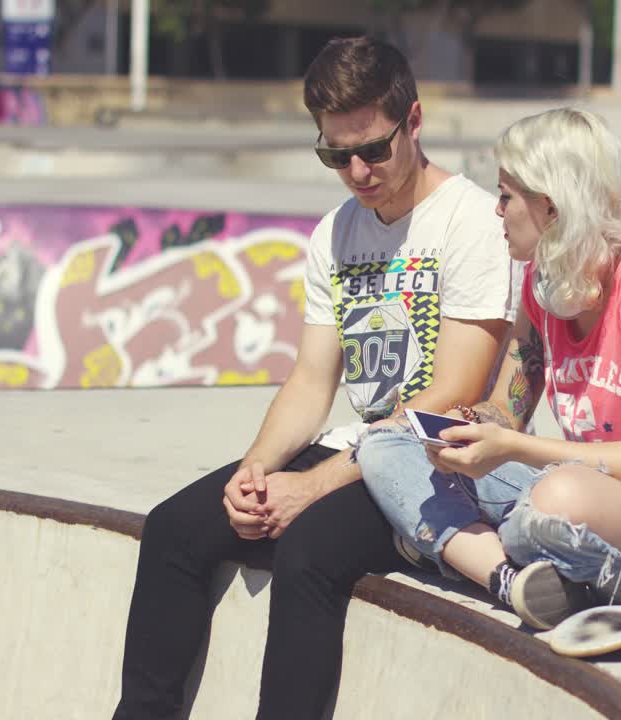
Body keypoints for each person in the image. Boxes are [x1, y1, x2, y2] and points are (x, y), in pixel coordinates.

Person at [112, 37, 518, 719]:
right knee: (175, 529)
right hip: (357, 445)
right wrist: (257, 469)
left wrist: (314, 487)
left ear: (413, 122)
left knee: (306, 552)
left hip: (437, 461)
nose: (357, 171)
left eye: (373, 150)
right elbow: (310, 378)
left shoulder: (472, 222)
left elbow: (452, 393)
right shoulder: (336, 233)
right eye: (335, 155)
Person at [357, 108, 621, 631]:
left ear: (549, 206)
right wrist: (468, 428)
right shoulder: (543, 283)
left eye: (506, 196)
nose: (497, 211)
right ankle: (512, 578)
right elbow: (507, 409)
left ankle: (470, 549)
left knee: (550, 505)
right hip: (598, 495)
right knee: (386, 447)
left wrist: (516, 450)